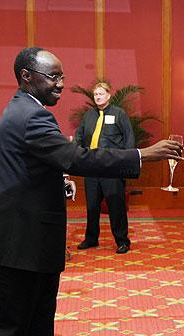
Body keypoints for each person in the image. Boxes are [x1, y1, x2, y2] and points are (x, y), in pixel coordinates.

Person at [0, 47, 183, 336]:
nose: (60, 84)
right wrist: (142, 154)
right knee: (11, 330)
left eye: (62, 76)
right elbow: (78, 157)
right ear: (26, 76)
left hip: (24, 242)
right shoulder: (32, 116)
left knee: (35, 324)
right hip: (18, 245)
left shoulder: (24, 109)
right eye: (53, 76)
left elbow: (31, 167)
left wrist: (58, 181)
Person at [75, 82, 134, 254]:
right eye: (96, 94)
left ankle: (122, 241)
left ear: (109, 95)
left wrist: (125, 164)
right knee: (92, 206)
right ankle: (91, 238)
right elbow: (79, 137)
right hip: (91, 166)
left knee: (116, 206)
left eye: (101, 94)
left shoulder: (119, 114)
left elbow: (129, 138)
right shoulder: (88, 116)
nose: (98, 97)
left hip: (111, 166)